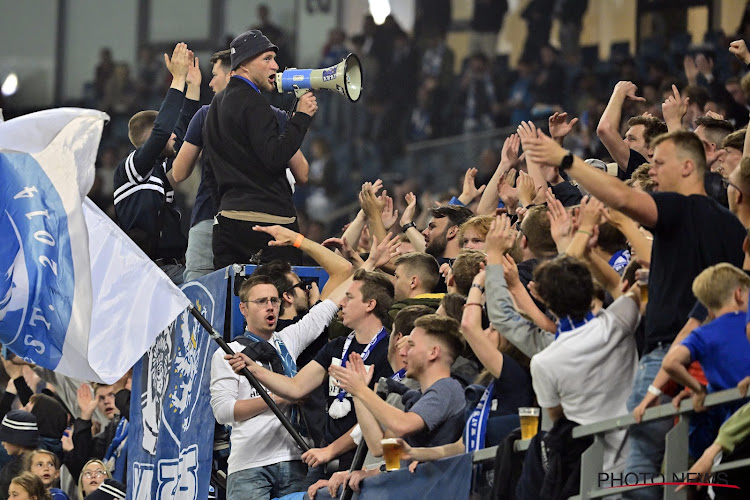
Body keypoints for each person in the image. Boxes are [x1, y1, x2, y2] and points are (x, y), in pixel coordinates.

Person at [524, 129, 746, 499]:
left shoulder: (678, 209)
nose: (652, 171)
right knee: (690, 465)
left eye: (659, 162)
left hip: (671, 355)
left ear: (689, 167)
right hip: (713, 357)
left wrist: (564, 158)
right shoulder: (730, 226)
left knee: (638, 470)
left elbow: (624, 197)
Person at [225, 269, 395, 477]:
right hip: (330, 460)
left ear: (370, 304)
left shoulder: (389, 352)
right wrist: (254, 369)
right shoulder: (337, 346)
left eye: (349, 297)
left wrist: (331, 451)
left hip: (368, 461)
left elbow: (385, 423)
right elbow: (296, 388)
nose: (342, 303)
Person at [171, 49, 310, 281]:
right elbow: (302, 173)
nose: (211, 82)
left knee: (208, 302)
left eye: (215, 74)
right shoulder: (275, 115)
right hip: (271, 222)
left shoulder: (206, 114)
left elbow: (178, 172)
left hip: (213, 219)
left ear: (231, 74)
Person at [210, 271, 343, 500]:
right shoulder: (228, 352)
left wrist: (368, 264)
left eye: (274, 300)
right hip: (250, 464)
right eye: (261, 302)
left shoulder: (287, 340)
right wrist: (283, 396)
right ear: (243, 309)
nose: (270, 307)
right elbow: (224, 412)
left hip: (296, 459)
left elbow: (327, 308)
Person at [203, 30, 317, 269]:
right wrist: (302, 118)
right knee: (283, 301)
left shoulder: (215, 104)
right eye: (266, 59)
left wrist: (224, 211)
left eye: (274, 59)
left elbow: (209, 169)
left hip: (228, 222)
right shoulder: (255, 102)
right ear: (243, 64)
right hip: (270, 223)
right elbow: (275, 157)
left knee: (235, 302)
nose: (275, 66)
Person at [529, 255, 641, 474]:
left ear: (547, 302)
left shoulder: (543, 362)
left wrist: (552, 296)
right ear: (591, 293)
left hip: (592, 472)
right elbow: (646, 277)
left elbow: (556, 415)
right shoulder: (617, 321)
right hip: (641, 457)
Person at [112, 43, 201, 284]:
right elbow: (164, 131)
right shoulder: (131, 169)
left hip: (172, 266)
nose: (175, 136)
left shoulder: (158, 170)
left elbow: (182, 132)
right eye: (167, 133)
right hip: (152, 272)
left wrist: (193, 87)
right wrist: (177, 80)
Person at [662, 264, 750, 458]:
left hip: (732, 434)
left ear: (709, 310)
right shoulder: (746, 323)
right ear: (739, 294)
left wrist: (697, 389)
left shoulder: (703, 334)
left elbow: (670, 362)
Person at [596, 81, 667, 180]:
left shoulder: (645, 168)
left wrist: (620, 90)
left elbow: (605, 129)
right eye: (625, 137)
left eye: (632, 139)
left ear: (652, 148)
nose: (624, 142)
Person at [0, 411, 38, 500]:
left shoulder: (13, 472)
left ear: (17, 439)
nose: (3, 443)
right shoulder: (46, 459)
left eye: (5, 438)